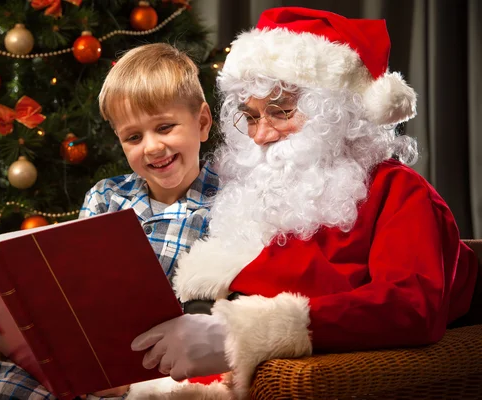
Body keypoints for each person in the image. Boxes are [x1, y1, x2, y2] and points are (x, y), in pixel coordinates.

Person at [123, 6, 480, 399]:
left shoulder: (399, 192)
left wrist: (236, 334)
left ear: (339, 114)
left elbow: (412, 307)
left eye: (281, 112)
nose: (260, 136)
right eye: (251, 116)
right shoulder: (259, 193)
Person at [0, 42, 218, 400]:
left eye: (165, 127)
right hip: (83, 368)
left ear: (201, 122)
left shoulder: (230, 202)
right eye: (133, 137)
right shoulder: (106, 196)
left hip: (163, 378)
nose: (152, 147)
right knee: (3, 386)